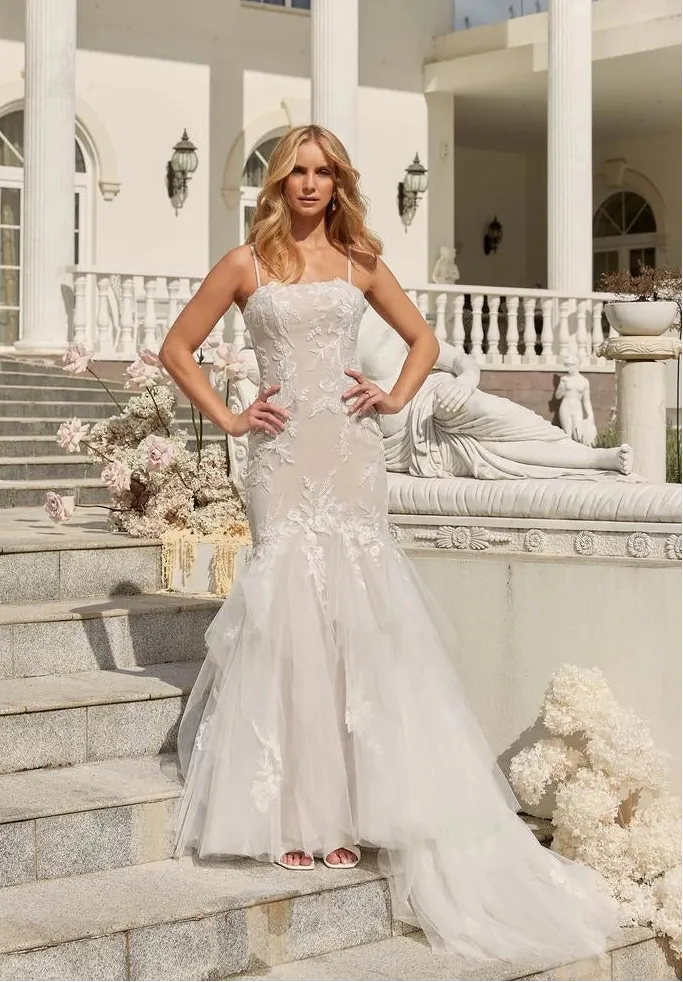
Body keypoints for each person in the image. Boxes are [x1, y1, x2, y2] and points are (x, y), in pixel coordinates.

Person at [159, 125, 618, 963]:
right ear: (277, 182)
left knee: (357, 625)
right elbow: (175, 349)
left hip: (349, 452)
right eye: (296, 170)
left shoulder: (358, 258)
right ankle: (297, 812)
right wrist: (229, 417)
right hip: (281, 459)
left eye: (322, 171)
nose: (308, 183)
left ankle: (361, 806)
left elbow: (425, 341)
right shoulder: (243, 264)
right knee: (287, 624)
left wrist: (396, 395)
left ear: (338, 183)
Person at [358, 322, 630, 478]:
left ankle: (576, 449)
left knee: (489, 409)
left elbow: (459, 360)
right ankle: (595, 459)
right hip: (400, 445)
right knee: (492, 455)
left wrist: (465, 381)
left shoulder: (386, 321)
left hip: (433, 403)